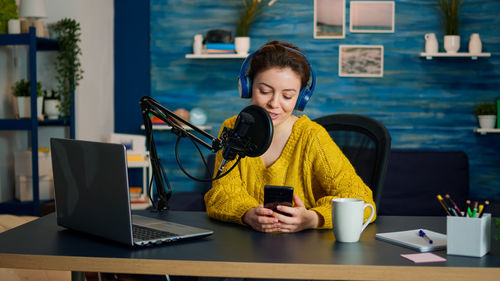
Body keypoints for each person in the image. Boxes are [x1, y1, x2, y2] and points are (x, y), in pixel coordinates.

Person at [204, 40, 375, 233]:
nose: (274, 103)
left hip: (306, 250)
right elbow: (220, 194)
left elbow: (362, 200)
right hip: (245, 247)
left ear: (301, 97)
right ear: (248, 87)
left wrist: (313, 218)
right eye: (265, 91)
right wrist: (247, 214)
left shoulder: (312, 136)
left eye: (287, 96)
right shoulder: (234, 127)